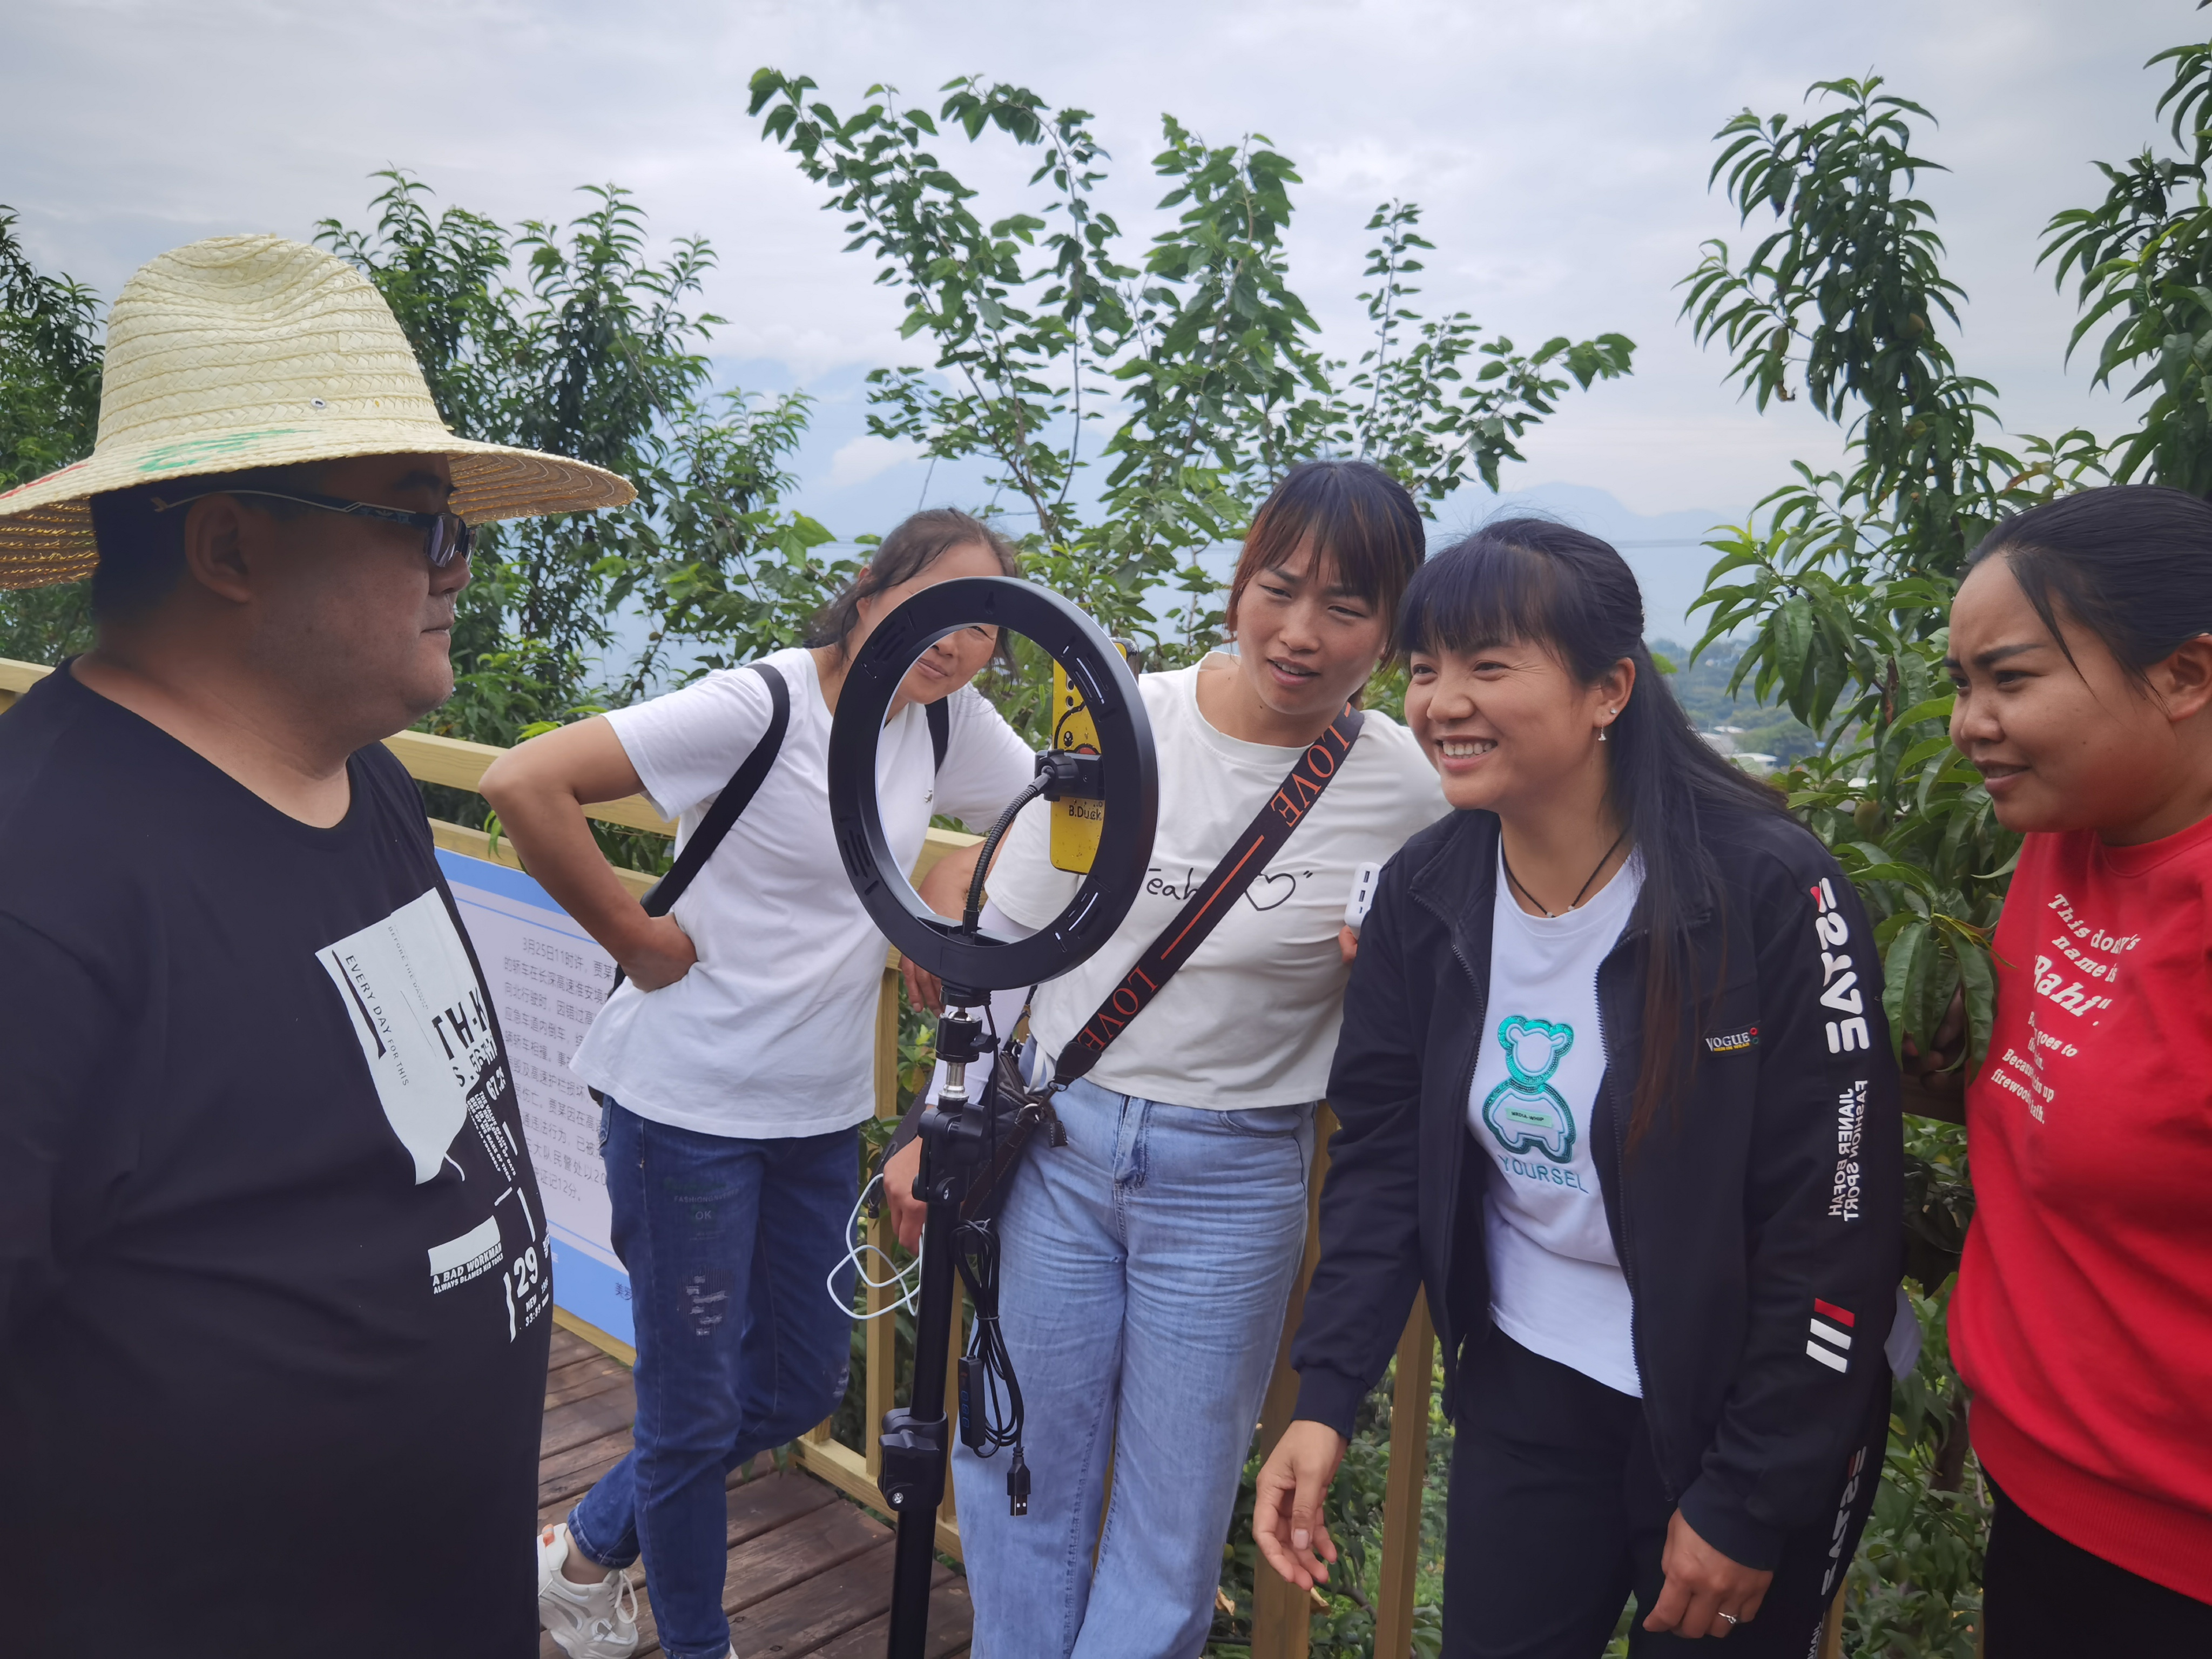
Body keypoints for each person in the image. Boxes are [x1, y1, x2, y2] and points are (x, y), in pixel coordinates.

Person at [0, 236, 633, 1655]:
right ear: (230, 547)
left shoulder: (368, 787)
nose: (458, 564)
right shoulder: (42, 901)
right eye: (420, 519)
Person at [1257, 520, 1904, 1656]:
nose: (1443, 702)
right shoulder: (1427, 891)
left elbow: (1835, 1219)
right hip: (1529, 1377)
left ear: (1609, 689)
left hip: (1735, 1399)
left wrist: (1750, 1495)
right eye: (1424, 667)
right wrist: (1326, 1394)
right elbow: (1384, 1156)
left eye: (1488, 664)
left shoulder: (1764, 887)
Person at [884, 458, 1449, 1659]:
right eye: (1277, 590)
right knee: (1014, 1469)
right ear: (1238, 584)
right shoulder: (1123, 718)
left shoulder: (1406, 787)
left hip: (1235, 1179)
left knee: (1171, 1520)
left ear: (1391, 632)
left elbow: (1474, 938)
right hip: (1060, 1147)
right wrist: (937, 1124)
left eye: (1345, 608)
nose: (1300, 633)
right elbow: (1010, 939)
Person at [480, 508, 1036, 1659]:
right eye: (933, 604)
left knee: (791, 1389)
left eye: (983, 625)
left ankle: (582, 1554)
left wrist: (948, 883)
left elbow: (1054, 814)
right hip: (685, 1109)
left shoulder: (943, 724)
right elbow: (523, 781)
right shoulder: (764, 705)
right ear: (872, 592)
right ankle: (697, 1643)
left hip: (814, 1110)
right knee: (691, 1415)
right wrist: (637, 938)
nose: (955, 641)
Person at [1923, 485, 2212, 1652]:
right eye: (1960, 683)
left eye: (2010, 679)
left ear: (2185, 676)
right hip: (2042, 1484)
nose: (1969, 723)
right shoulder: (2069, 832)